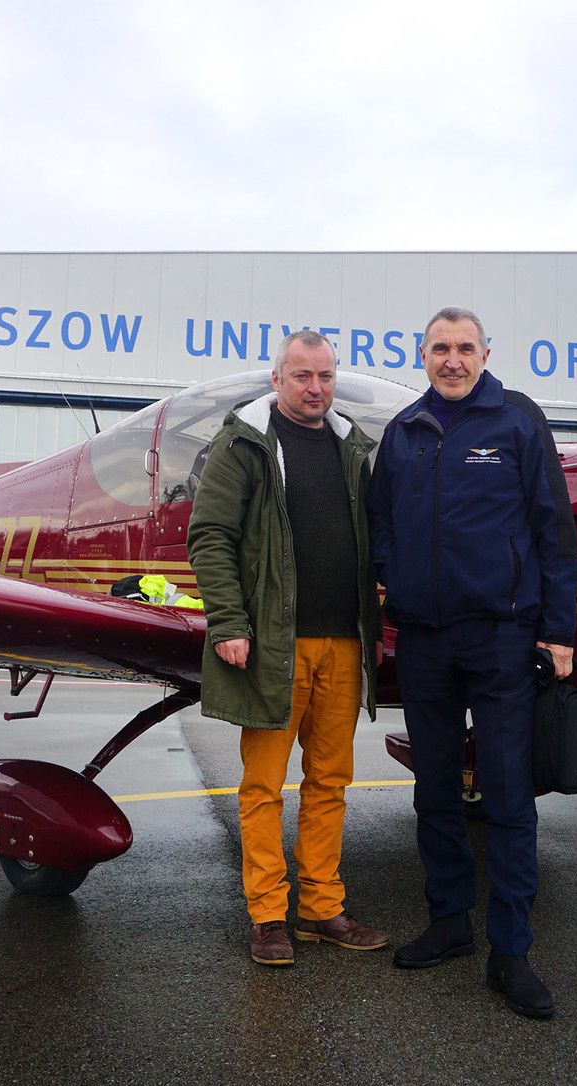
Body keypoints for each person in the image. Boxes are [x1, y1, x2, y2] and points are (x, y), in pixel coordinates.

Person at [367, 306, 577, 1018]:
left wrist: (557, 631)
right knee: (434, 791)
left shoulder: (517, 420)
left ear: (486, 353)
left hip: (500, 637)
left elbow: (553, 529)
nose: (452, 360)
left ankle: (510, 952)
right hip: (424, 639)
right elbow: (381, 521)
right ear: (421, 354)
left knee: (510, 797)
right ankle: (449, 921)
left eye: (464, 348)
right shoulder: (404, 431)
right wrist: (391, 576)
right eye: (440, 348)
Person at [187, 330, 388, 966]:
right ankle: (268, 915)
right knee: (264, 785)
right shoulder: (244, 442)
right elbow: (210, 535)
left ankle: (321, 908)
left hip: (343, 644)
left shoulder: (351, 447)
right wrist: (229, 623)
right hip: (276, 645)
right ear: (277, 380)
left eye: (325, 376)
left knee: (330, 782)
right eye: (302, 376)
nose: (315, 388)